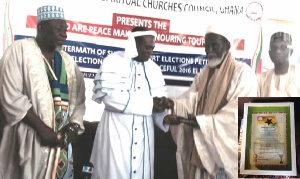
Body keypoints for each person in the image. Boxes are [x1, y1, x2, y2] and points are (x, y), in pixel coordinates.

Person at [0, 5, 86, 179]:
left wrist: (74, 127)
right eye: (59, 29)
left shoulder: (68, 62)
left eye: (66, 30)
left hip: (61, 147)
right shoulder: (19, 50)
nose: (65, 34)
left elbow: (79, 101)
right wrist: (43, 130)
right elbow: (10, 94)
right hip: (29, 138)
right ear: (41, 27)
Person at [161, 24, 258, 178]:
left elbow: (239, 114)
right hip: (201, 148)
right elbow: (191, 100)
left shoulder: (243, 73)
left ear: (227, 45)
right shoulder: (203, 75)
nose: (210, 50)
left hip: (224, 156)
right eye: (207, 46)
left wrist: (204, 123)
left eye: (215, 45)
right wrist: (173, 105)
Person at [90, 26, 170, 179]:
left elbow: (157, 106)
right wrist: (150, 104)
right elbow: (110, 98)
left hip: (144, 137)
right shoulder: (112, 62)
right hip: (116, 134)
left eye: (152, 48)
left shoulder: (155, 70)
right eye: (147, 47)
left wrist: (164, 118)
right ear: (134, 43)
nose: (150, 51)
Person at [257, 31, 300, 97]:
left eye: (283, 47)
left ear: (291, 52)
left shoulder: (297, 75)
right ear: (269, 53)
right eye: (274, 48)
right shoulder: (261, 79)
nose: (278, 51)